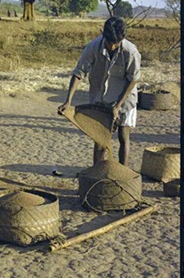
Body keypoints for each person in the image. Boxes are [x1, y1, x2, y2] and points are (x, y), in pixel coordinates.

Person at [58, 16, 141, 167]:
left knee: (123, 136)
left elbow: (133, 80)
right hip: (100, 97)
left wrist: (117, 106)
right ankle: (97, 171)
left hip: (125, 98)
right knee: (100, 137)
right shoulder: (93, 47)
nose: (113, 47)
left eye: (116, 44)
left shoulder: (131, 52)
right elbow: (78, 73)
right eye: (110, 43)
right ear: (104, 35)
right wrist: (68, 100)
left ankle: (122, 171)